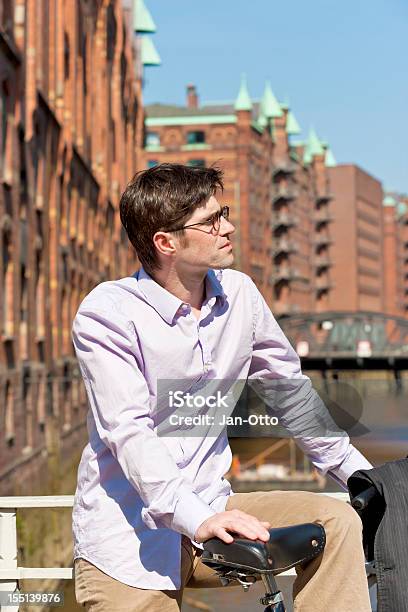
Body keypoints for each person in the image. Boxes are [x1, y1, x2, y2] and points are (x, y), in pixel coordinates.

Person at [72, 163, 373, 611]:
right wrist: (200, 519)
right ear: (166, 242)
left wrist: (361, 476)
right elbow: (128, 432)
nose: (227, 227)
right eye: (211, 221)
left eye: (223, 212)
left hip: (218, 509)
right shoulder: (109, 313)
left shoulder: (241, 295)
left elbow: (288, 390)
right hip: (129, 536)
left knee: (338, 521)